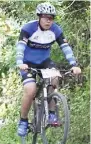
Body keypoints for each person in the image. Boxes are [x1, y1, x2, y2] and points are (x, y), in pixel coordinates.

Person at [16, 2, 82, 136]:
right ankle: (23, 121)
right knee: (30, 90)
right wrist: (19, 62)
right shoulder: (28, 28)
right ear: (39, 17)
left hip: (44, 62)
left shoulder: (56, 30)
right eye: (45, 17)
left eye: (51, 18)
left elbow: (66, 48)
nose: (48, 21)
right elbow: (20, 47)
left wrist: (74, 64)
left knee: (55, 78)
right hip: (27, 63)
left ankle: (51, 114)